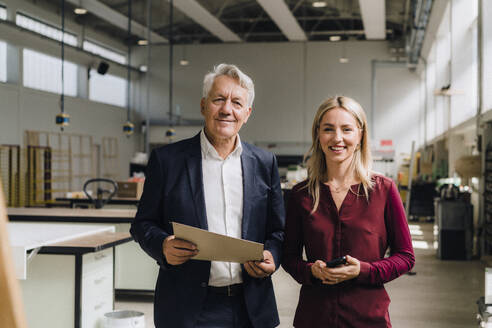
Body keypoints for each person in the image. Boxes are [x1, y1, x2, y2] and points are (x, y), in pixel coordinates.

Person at [130, 63, 285, 328]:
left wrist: (272, 256)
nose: (227, 109)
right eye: (218, 99)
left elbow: (278, 231)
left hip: (251, 307)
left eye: (237, 102)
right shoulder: (167, 161)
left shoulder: (264, 162)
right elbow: (142, 224)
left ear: (247, 113)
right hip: (188, 308)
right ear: (203, 106)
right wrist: (163, 246)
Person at [282, 96, 415, 327]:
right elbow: (289, 257)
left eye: (346, 129)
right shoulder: (300, 194)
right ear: (318, 135)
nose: (337, 138)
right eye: (328, 129)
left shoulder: (384, 191)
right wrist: (311, 271)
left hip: (368, 318)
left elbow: (405, 256)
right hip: (315, 317)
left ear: (360, 135)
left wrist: (363, 270)